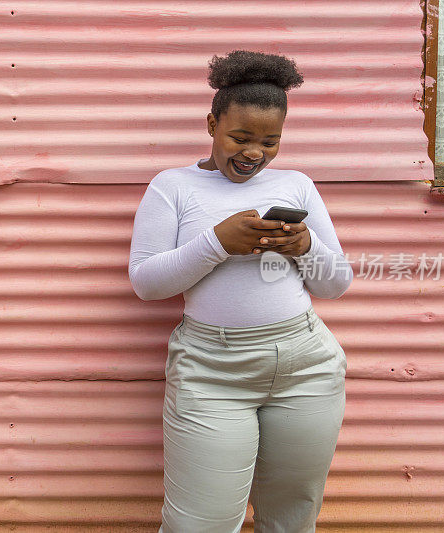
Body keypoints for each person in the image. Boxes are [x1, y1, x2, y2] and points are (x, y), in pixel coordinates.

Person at [128, 50, 353, 533]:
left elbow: (335, 284)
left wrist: (305, 245)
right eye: (241, 137)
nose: (255, 152)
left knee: (292, 515)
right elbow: (146, 282)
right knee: (200, 523)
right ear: (211, 124)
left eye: (271, 141)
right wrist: (216, 243)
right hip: (212, 370)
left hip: (305, 362)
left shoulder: (296, 185)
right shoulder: (173, 187)